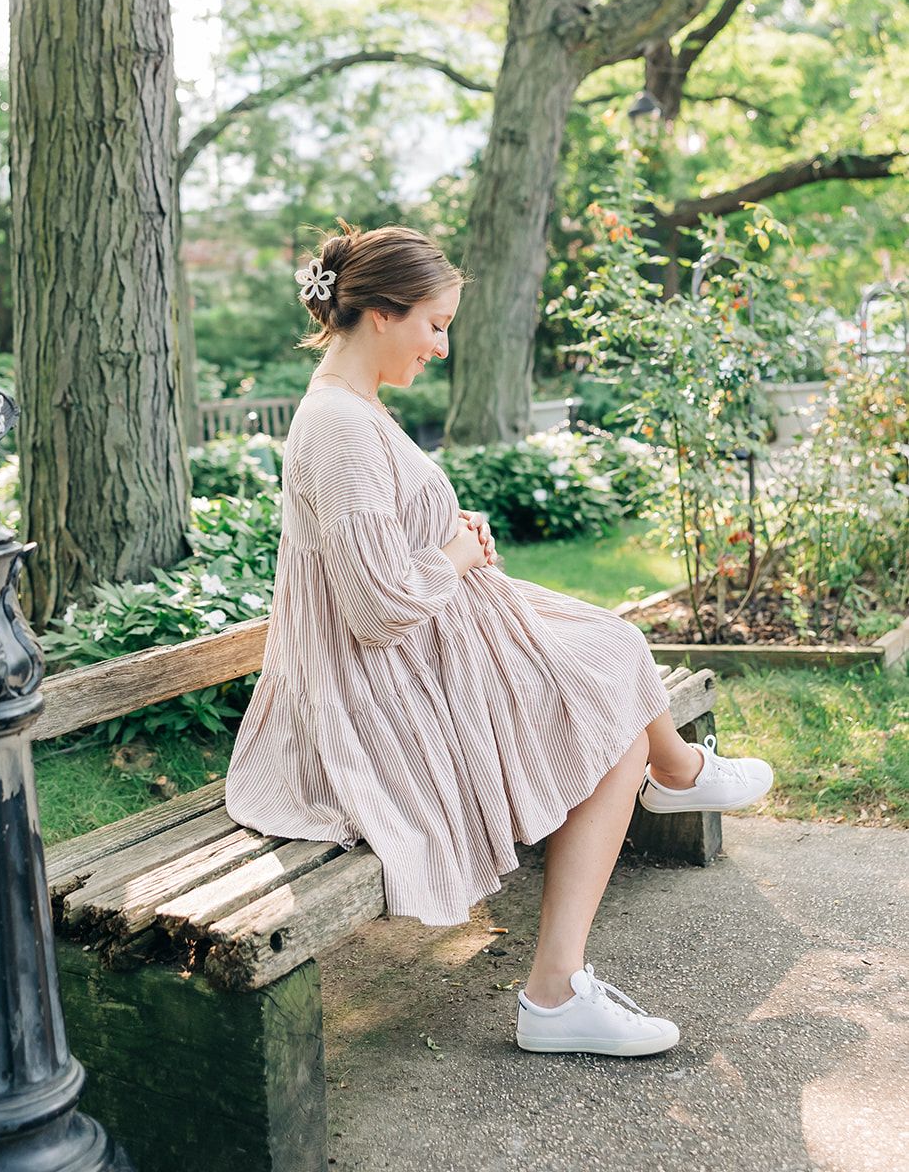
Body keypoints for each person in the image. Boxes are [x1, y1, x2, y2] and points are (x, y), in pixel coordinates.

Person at [224, 222, 773, 1058]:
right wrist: (449, 553)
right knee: (610, 688)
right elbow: (375, 609)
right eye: (433, 325)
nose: (440, 347)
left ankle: (668, 789)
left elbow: (375, 547)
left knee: (608, 658)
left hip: (419, 651)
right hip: (379, 689)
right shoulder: (337, 425)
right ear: (377, 313)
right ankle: (564, 977)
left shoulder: (354, 409)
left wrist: (446, 532)